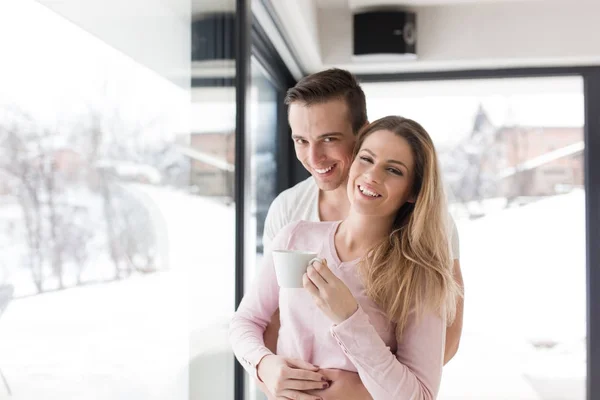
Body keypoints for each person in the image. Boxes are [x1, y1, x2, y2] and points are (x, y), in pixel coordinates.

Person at [257, 69, 464, 399]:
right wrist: (266, 372)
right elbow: (271, 317)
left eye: (329, 139)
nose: (313, 159)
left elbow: (445, 338)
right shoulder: (290, 214)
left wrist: (365, 391)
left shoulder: (426, 225)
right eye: (301, 141)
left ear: (363, 132)